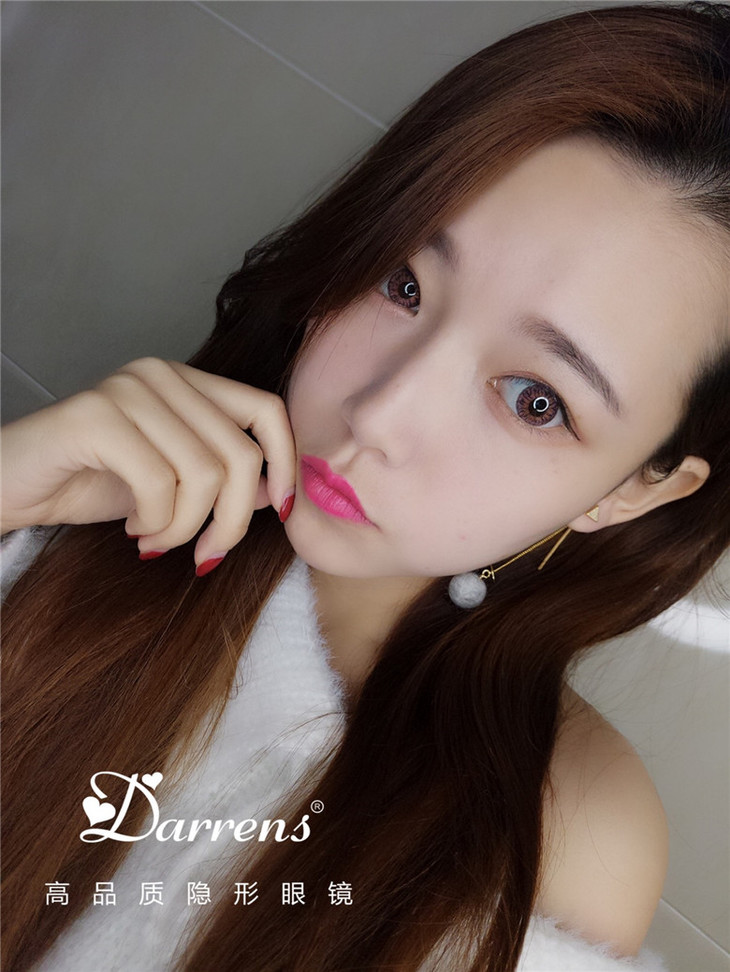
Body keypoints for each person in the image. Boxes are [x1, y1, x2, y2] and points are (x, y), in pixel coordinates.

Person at [2, 2, 729, 970]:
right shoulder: (77, 506)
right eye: (402, 283)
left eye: (535, 400)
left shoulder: (563, 834)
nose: (379, 413)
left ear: (632, 491)